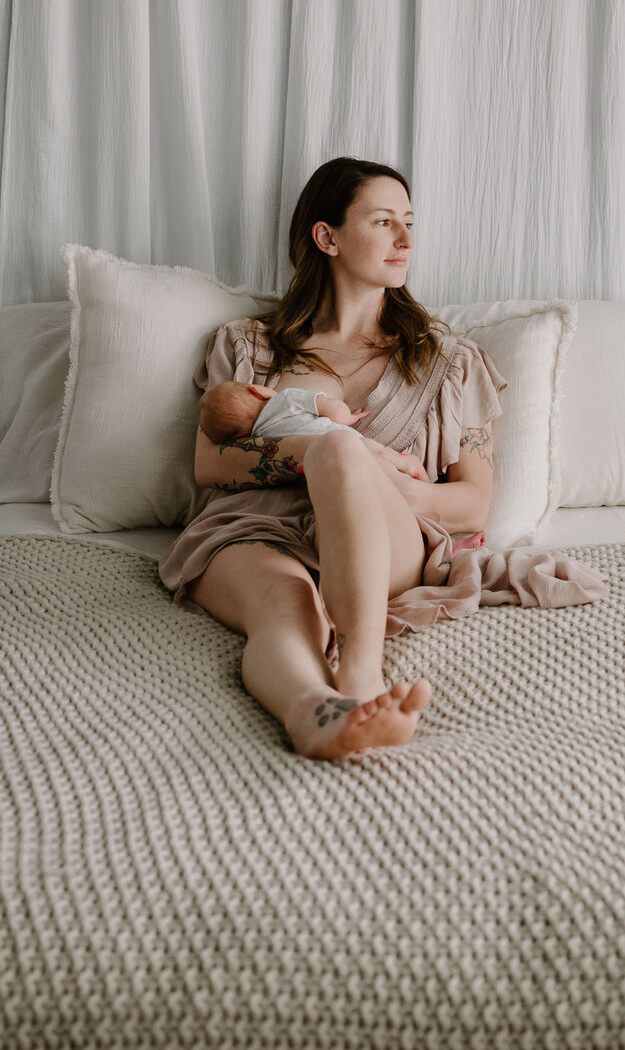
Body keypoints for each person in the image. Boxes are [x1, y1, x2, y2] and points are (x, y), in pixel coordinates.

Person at [159, 156, 507, 760]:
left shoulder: (448, 362)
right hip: (254, 530)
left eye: (409, 222)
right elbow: (209, 465)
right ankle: (311, 712)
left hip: (387, 533)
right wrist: (323, 451)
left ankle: (360, 674)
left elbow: (474, 503)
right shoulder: (248, 347)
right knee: (284, 606)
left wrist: (367, 475)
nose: (406, 240)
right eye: (383, 222)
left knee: (342, 452)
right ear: (327, 237)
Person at [197, 380, 370, 444]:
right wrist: (349, 417)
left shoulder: (261, 440)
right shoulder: (285, 399)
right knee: (379, 454)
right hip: (346, 442)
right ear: (256, 390)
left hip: (322, 465)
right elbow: (335, 409)